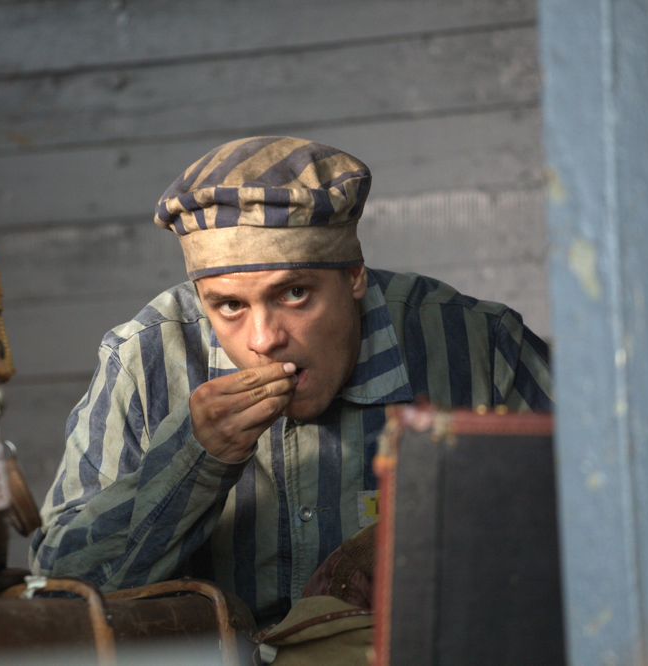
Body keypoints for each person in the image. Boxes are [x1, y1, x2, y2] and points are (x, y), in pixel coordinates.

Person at [29, 136, 552, 626]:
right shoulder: (145, 361)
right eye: (229, 306)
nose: (264, 339)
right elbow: (59, 595)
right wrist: (193, 459)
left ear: (354, 275)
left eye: (294, 294)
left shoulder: (478, 347)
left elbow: (582, 535)